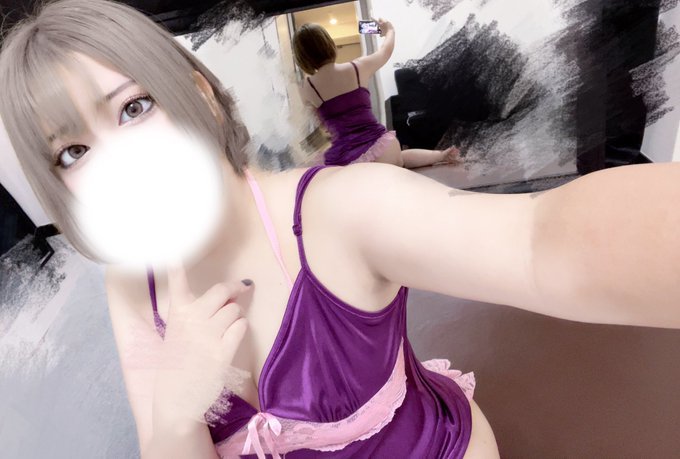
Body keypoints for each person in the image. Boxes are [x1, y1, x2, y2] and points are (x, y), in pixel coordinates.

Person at [1, 1, 678, 458]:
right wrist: (177, 411)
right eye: (72, 151)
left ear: (198, 91)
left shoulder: (338, 212)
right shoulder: (131, 283)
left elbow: (537, 243)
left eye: (133, 107)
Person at [293, 21, 460, 168]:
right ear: (328, 43)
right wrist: (389, 30)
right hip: (384, 149)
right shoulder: (357, 67)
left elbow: (319, 127)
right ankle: (440, 155)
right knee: (400, 158)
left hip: (350, 162)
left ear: (302, 57)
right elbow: (385, 51)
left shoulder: (306, 88)